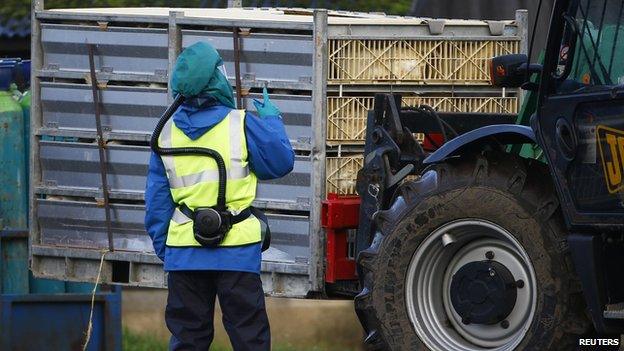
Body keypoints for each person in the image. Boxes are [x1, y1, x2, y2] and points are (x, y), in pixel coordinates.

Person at [145, 41, 295, 351]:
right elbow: (281, 162)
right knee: (249, 337)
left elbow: (157, 203)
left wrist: (169, 251)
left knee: (188, 339)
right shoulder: (241, 124)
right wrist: (271, 122)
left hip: (184, 254)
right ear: (217, 78)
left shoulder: (166, 134)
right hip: (237, 253)